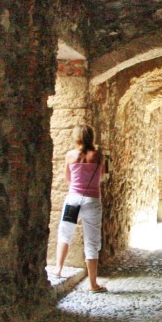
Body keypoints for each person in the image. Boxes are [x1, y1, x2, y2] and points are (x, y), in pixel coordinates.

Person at [54, 124, 107, 292]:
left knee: (65, 233)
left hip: (73, 201)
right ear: (91, 137)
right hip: (92, 201)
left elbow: (67, 178)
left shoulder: (70, 155)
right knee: (92, 242)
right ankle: (93, 284)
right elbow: (101, 176)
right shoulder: (99, 156)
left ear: (76, 137)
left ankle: (58, 269)